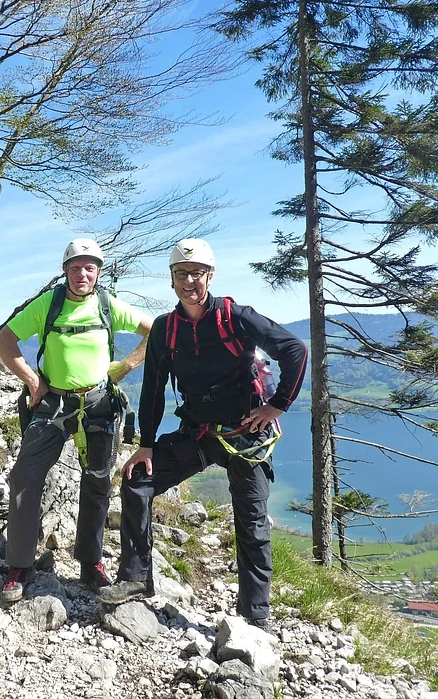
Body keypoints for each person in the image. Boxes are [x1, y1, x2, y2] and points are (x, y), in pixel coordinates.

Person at [98, 238, 307, 630]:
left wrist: (278, 404)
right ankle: (135, 578)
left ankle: (255, 616)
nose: (189, 280)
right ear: (172, 279)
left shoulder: (236, 317)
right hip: (197, 433)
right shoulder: (166, 329)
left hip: (245, 434)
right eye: (182, 273)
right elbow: (153, 388)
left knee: (252, 521)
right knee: (138, 479)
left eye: (197, 273)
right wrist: (146, 446)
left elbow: (294, 349)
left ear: (210, 276)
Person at [0, 239, 152, 602]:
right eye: (76, 267)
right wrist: (32, 380)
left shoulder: (108, 305)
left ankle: (90, 562)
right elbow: (5, 341)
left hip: (99, 402)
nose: (83, 274)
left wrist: (127, 365)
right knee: (25, 476)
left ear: (98, 272)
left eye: (89, 268)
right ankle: (20, 565)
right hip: (53, 403)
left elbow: (154, 329)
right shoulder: (48, 304)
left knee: (97, 481)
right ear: (65, 271)